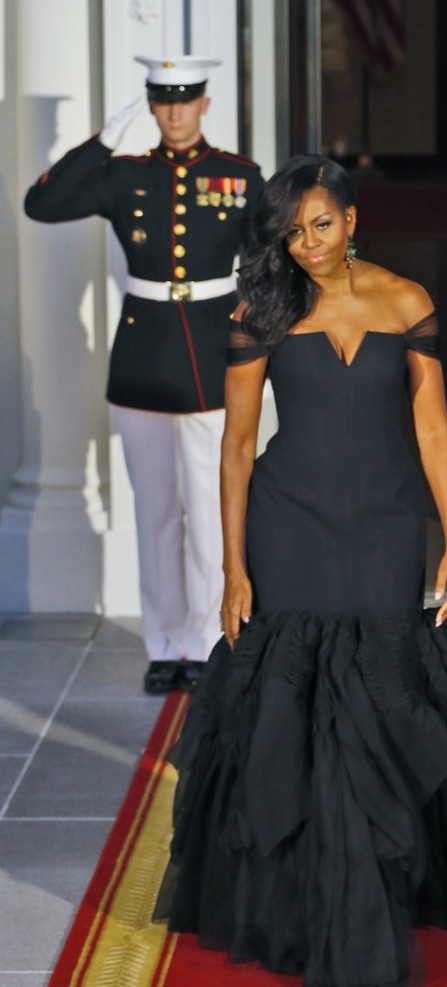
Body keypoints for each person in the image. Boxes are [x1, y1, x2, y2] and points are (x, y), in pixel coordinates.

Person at [153, 155, 447, 987]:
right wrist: (232, 568)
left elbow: (435, 428)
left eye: (321, 223)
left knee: (383, 703)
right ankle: (314, 907)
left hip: (387, 526)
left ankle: (385, 888)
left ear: (354, 219)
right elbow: (235, 447)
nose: (308, 243)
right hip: (289, 525)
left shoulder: (407, 300)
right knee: (303, 714)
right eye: (292, 231)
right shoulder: (261, 307)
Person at [24, 55, 265, 694]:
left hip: (215, 356)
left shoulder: (239, 177)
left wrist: (261, 340)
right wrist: (104, 139)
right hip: (142, 359)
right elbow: (42, 203)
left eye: (186, 100)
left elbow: (270, 259)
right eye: (163, 101)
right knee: (156, 511)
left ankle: (217, 638)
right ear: (151, 107)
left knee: (214, 512)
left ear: (206, 103)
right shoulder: (124, 175)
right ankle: (167, 645)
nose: (175, 112)